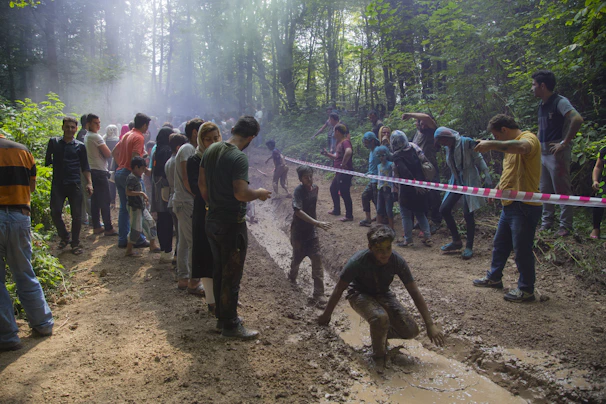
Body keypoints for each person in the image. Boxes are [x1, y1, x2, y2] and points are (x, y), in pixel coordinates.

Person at [318, 225, 445, 371]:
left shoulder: (397, 261)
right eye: (379, 250)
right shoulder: (358, 261)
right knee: (380, 317)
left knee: (411, 331)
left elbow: (414, 292)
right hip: (359, 294)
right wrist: (326, 316)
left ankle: (379, 333)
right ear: (370, 248)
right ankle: (378, 356)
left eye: (388, 249)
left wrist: (430, 325)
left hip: (383, 294)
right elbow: (339, 288)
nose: (385, 254)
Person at [200, 115, 271, 340]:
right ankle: (230, 324)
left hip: (211, 219)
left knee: (219, 270)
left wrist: (212, 203)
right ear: (251, 137)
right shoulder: (238, 158)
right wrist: (259, 194)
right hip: (232, 224)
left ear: (232, 129)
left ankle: (222, 317)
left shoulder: (210, 150)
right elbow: (241, 193)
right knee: (232, 274)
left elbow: (202, 183)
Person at [473, 114, 542, 302]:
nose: (496, 140)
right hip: (509, 204)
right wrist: (497, 190)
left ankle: (526, 289)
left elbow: (523, 148)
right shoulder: (509, 148)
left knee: (522, 249)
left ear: (504, 130)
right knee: (500, 244)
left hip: (525, 206)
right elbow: (509, 172)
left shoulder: (528, 139)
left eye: (496, 136)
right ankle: (494, 278)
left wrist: (491, 145)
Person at [0, 133, 54, 351]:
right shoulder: (22, 150)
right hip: (20, 216)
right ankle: (42, 324)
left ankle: (8, 336)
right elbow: (31, 188)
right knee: (24, 272)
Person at [532, 70, 584, 237]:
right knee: (545, 189)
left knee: (561, 189)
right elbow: (541, 128)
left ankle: (565, 226)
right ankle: (547, 224)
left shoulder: (559, 102)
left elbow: (577, 119)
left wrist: (564, 143)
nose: (532, 88)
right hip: (543, 151)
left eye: (534, 85)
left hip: (556, 152)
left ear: (542, 86)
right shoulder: (541, 104)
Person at [434, 127, 492, 259]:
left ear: (448, 138)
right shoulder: (448, 148)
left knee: (468, 213)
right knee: (444, 209)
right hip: (456, 180)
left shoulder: (466, 142)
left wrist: (486, 174)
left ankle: (469, 246)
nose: (443, 145)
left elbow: (478, 158)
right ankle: (456, 241)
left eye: (443, 141)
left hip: (469, 179)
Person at [45, 116, 93, 255]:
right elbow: (47, 161)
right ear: (62, 127)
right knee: (55, 212)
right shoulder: (53, 142)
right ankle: (65, 236)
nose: (70, 129)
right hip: (58, 184)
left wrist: (89, 183)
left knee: (77, 216)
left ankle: (75, 243)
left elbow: (85, 166)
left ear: (76, 129)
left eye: (72, 127)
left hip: (75, 184)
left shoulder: (80, 146)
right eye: (67, 127)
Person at [188, 122, 222, 311]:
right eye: (207, 139)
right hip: (204, 211)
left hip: (221, 211)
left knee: (221, 256)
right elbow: (196, 187)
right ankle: (212, 301)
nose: (212, 143)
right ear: (200, 140)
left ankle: (223, 296)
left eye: (216, 138)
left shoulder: (223, 157)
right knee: (206, 255)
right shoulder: (195, 160)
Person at [288, 165, 332, 306]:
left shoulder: (316, 189)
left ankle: (319, 294)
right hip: (299, 232)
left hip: (312, 231)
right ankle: (292, 276)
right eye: (306, 177)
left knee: (317, 259)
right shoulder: (298, 191)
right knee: (297, 258)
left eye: (311, 175)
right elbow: (298, 211)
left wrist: (315, 224)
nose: (309, 179)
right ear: (300, 179)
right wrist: (316, 222)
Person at [173, 118, 204, 292]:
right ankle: (194, 281)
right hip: (186, 201)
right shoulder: (187, 149)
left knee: (184, 242)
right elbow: (186, 178)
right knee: (194, 242)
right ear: (194, 133)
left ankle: (183, 278)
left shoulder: (192, 149)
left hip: (183, 200)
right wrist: (197, 195)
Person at [114, 113, 152, 249]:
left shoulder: (127, 135)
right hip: (131, 174)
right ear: (144, 125)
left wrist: (122, 165)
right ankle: (139, 239)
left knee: (124, 208)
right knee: (139, 206)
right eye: (147, 126)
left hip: (120, 172)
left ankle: (123, 239)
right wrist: (144, 170)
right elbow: (136, 157)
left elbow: (114, 152)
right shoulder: (139, 137)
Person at [390, 131, 433, 247]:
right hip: (420, 185)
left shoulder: (397, 156)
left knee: (406, 214)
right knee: (420, 213)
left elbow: (404, 171)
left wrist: (413, 184)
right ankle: (427, 237)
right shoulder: (414, 149)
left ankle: (408, 240)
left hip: (408, 189)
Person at [402, 112, 442, 230]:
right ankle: (423, 220)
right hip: (418, 168)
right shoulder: (418, 133)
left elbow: (427, 118)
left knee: (434, 195)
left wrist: (410, 115)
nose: (423, 125)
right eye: (421, 123)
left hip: (430, 168)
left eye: (424, 123)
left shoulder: (432, 131)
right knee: (422, 195)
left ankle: (436, 221)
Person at [83, 114, 116, 236]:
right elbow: (108, 154)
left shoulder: (88, 136)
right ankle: (108, 227)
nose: (98, 125)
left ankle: (96, 226)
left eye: (99, 123)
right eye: (95, 123)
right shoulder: (96, 137)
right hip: (100, 171)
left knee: (95, 200)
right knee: (105, 200)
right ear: (88, 124)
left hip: (92, 170)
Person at [124, 157, 160, 257]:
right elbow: (128, 192)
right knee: (136, 229)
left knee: (151, 223)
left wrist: (144, 199)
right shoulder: (131, 178)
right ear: (136, 167)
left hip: (142, 207)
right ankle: (129, 249)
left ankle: (152, 245)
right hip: (135, 207)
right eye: (142, 169)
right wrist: (141, 194)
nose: (143, 171)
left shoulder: (139, 177)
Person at [150, 127, 175, 263]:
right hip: (166, 188)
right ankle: (168, 250)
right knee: (168, 220)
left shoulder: (156, 150)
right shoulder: (167, 151)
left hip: (157, 188)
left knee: (161, 219)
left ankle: (164, 250)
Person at [165, 133, 188, 266]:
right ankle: (181, 265)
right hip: (179, 198)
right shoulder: (178, 162)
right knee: (183, 237)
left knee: (180, 235)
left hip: (172, 198)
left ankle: (177, 258)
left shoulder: (169, 161)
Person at [323, 124, 354, 222]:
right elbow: (337, 157)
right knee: (333, 189)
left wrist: (343, 164)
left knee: (345, 193)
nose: (333, 133)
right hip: (339, 172)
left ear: (337, 132)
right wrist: (327, 154)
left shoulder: (345, 142)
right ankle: (337, 210)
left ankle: (349, 215)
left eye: (334, 131)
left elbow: (348, 152)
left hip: (344, 172)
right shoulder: (339, 142)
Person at [360, 132, 380, 227]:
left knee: (376, 200)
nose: (365, 144)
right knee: (365, 196)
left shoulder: (377, 151)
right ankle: (368, 219)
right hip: (372, 179)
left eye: (366, 142)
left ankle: (381, 219)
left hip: (378, 180)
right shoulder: (372, 151)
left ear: (372, 141)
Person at [374, 146, 395, 230]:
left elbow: (394, 176)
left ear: (386, 155)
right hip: (380, 189)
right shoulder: (378, 166)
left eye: (382, 155)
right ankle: (377, 228)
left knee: (389, 210)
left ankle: (391, 228)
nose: (381, 157)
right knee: (379, 209)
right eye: (379, 156)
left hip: (389, 189)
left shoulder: (391, 165)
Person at [591, 146, 606, 241]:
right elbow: (598, 167)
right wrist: (595, 180)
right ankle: (596, 228)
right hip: (605, 182)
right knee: (598, 202)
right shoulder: (604, 150)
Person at [104, 124, 120, 209]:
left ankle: (111, 201)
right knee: (115, 182)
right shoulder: (118, 140)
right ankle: (116, 201)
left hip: (105, 163)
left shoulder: (104, 139)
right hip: (115, 163)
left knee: (109, 183)